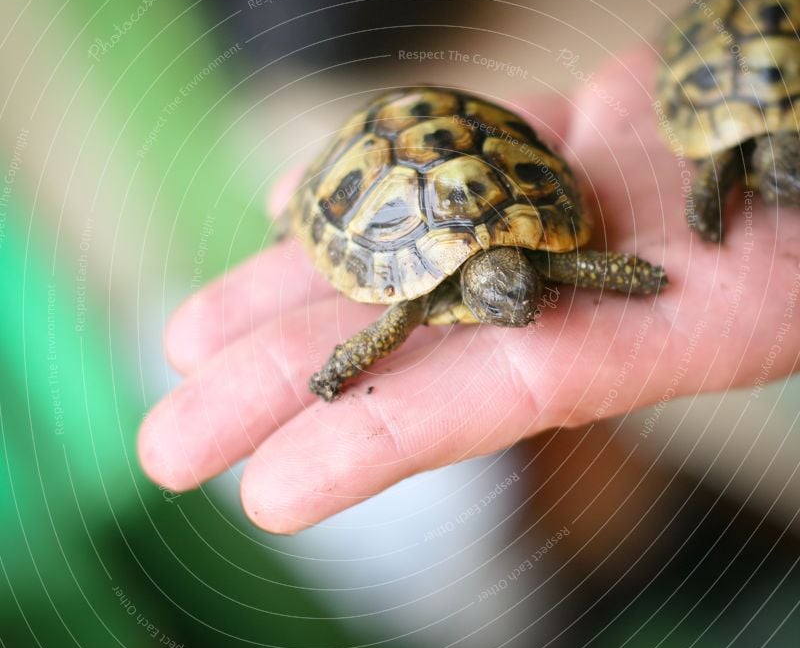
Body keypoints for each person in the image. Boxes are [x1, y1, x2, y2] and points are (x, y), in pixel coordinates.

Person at [137, 47, 800, 534]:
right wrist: (344, 363)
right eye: (508, 301)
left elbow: (572, 266)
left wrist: (635, 274)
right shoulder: (416, 302)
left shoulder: (539, 268)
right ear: (472, 295)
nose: (523, 307)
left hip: (472, 151)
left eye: (516, 294)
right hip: (378, 152)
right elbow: (389, 326)